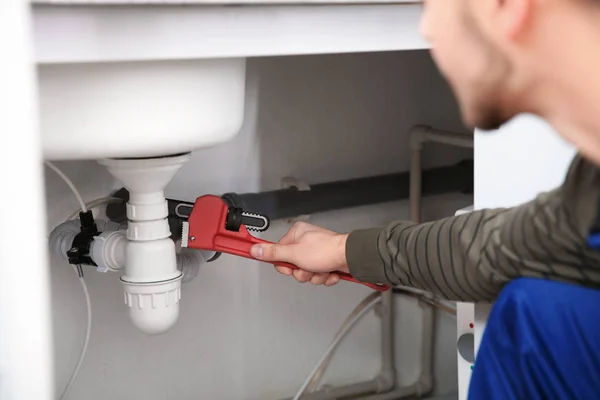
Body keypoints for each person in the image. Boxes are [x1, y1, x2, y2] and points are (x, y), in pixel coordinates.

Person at [250, 0, 600, 398]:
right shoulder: (589, 192)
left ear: (505, 6)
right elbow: (493, 249)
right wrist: (341, 250)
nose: (429, 29)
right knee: (533, 314)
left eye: (433, 5)